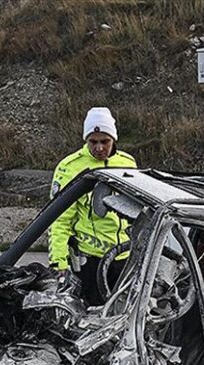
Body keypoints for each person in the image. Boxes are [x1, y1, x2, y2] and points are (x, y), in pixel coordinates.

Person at [48, 107, 137, 305]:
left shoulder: (128, 163)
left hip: (125, 258)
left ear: (114, 139)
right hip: (90, 261)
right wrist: (59, 262)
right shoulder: (70, 167)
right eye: (93, 142)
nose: (99, 148)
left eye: (104, 141)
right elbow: (59, 219)